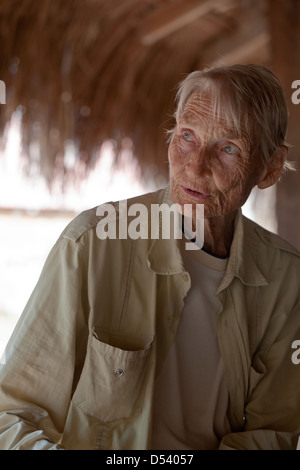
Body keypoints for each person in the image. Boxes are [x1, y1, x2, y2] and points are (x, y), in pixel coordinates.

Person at [0, 64, 300, 450]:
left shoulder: (287, 281)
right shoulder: (94, 243)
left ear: (271, 167)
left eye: (228, 148)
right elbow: (13, 414)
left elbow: (276, 432)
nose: (195, 166)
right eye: (187, 136)